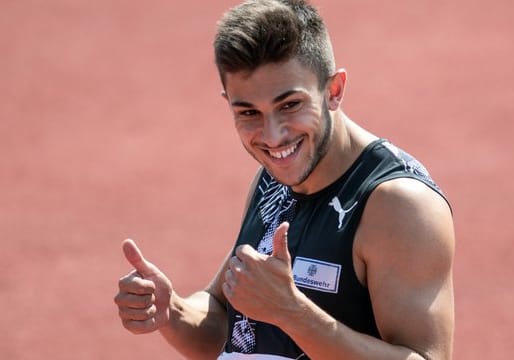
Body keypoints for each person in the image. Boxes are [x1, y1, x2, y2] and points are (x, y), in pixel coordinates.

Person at [114, 0, 455, 359]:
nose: (273, 136)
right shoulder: (274, 181)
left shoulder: (398, 206)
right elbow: (225, 325)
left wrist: (292, 314)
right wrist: (174, 312)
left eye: (290, 105)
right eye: (249, 112)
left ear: (334, 90)